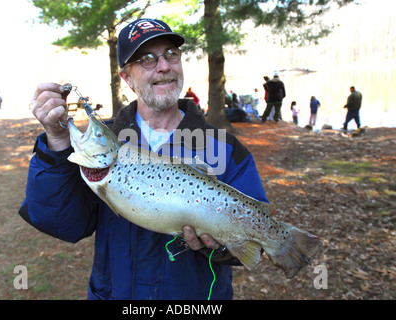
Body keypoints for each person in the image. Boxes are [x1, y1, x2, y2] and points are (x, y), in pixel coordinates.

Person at [19, 18, 268, 300]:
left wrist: (220, 246)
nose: (164, 66)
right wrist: (56, 142)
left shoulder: (226, 149)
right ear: (127, 78)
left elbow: (254, 245)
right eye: (147, 59)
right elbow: (62, 223)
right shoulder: (106, 142)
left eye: (171, 54)